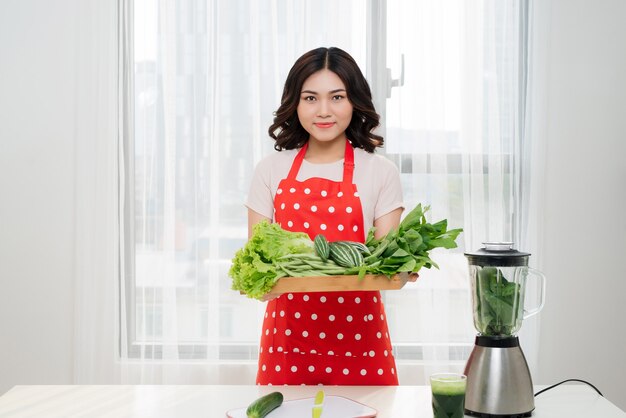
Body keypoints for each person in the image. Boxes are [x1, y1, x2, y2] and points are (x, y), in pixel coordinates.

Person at [246, 47, 404, 385]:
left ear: (354, 102)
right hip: (287, 344)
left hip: (362, 342)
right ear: (295, 103)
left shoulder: (380, 172)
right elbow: (258, 270)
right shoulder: (269, 171)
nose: (324, 111)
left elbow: (389, 265)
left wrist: (402, 271)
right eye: (310, 98)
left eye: (337, 97)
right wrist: (262, 287)